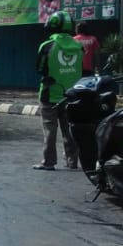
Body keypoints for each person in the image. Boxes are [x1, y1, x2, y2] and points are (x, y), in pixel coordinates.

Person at [34, 10, 84, 170]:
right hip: (72, 94)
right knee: (69, 129)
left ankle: (48, 162)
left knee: (49, 129)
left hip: (50, 94)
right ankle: (72, 161)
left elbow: (40, 69)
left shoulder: (47, 46)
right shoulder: (79, 46)